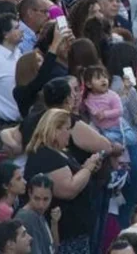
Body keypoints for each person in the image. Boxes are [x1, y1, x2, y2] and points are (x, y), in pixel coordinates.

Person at [23, 109, 104, 254]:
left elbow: (76, 175)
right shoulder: (45, 156)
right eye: (67, 129)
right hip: (65, 235)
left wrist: (86, 168)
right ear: (55, 129)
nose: (69, 133)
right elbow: (69, 189)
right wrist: (89, 168)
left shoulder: (60, 152)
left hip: (78, 232)